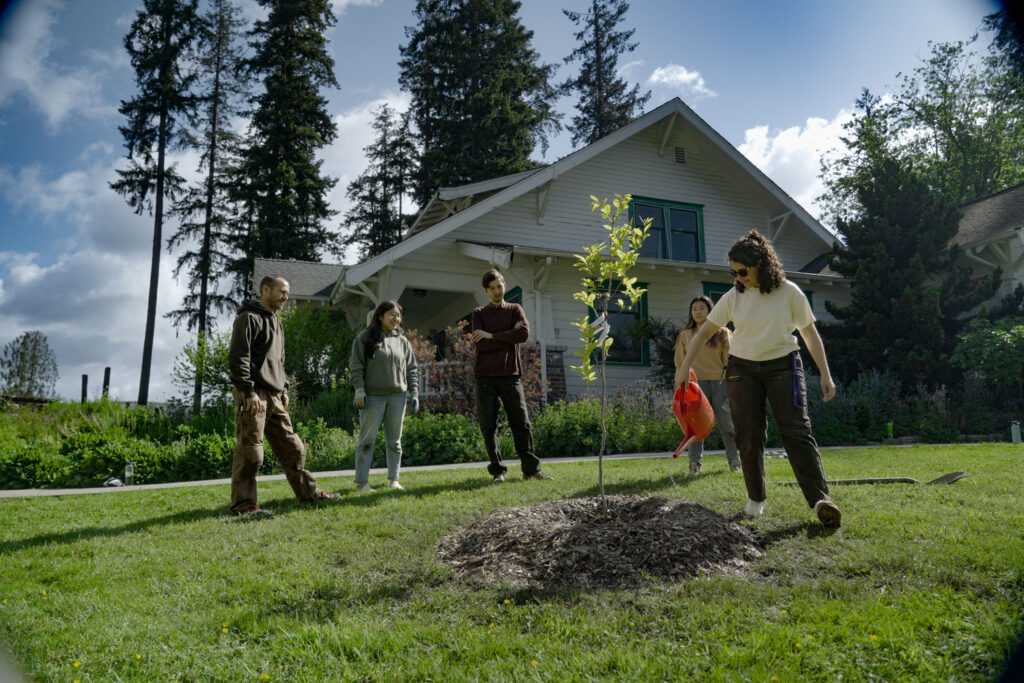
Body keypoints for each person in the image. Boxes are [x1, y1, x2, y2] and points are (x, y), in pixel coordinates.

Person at [677, 231, 842, 527]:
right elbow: (704, 333)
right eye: (733, 272)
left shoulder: (790, 293)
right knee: (748, 436)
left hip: (784, 367)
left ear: (762, 265)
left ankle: (821, 500)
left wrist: (826, 375)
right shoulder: (734, 296)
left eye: (743, 271)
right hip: (742, 369)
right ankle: (756, 499)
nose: (738, 277)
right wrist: (683, 368)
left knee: (796, 432)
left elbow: (809, 335)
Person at [228, 276, 340, 517]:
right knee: (252, 452)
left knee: (293, 447)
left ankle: (308, 493)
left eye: (287, 293)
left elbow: (279, 361)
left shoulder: (277, 322)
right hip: (254, 393)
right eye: (282, 292)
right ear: (265, 289)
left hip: (275, 394)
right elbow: (239, 358)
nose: (285, 297)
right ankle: (244, 505)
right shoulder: (248, 318)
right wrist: (247, 392)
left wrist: (284, 389)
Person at [471, 269, 553, 484]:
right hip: (485, 376)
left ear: (504, 285)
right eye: (492, 288)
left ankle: (531, 470)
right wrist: (507, 336)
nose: (497, 291)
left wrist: (492, 336)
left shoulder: (515, 309)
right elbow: (480, 343)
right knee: (489, 426)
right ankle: (498, 472)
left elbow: (523, 334)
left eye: (499, 286)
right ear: (486, 290)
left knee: (521, 422)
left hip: (510, 374)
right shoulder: (479, 313)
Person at [349, 300, 419, 492]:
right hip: (373, 397)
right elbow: (356, 367)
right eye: (392, 314)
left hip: (398, 397)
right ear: (380, 316)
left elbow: (412, 369)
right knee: (367, 440)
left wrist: (414, 393)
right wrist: (359, 389)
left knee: (394, 441)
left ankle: (394, 480)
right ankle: (362, 483)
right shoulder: (364, 338)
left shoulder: (403, 341)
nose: (396, 319)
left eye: (398, 315)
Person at [673, 295, 741, 476]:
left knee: (727, 424)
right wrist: (680, 383)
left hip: (720, 383)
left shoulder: (722, 333)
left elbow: (731, 360)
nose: (697, 312)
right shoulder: (685, 335)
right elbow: (680, 363)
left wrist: (733, 384)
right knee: (695, 427)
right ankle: (695, 464)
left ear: (710, 310)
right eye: (694, 309)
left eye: (701, 308)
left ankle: (734, 461)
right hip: (694, 385)